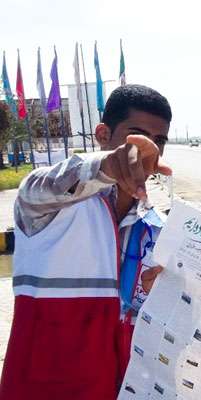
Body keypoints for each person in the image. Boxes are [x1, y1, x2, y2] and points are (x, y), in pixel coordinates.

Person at [0, 84, 171, 400]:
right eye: (137, 137)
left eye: (159, 141)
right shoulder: (48, 204)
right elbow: (43, 183)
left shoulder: (157, 228)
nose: (149, 150)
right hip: (41, 389)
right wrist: (105, 165)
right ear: (103, 134)